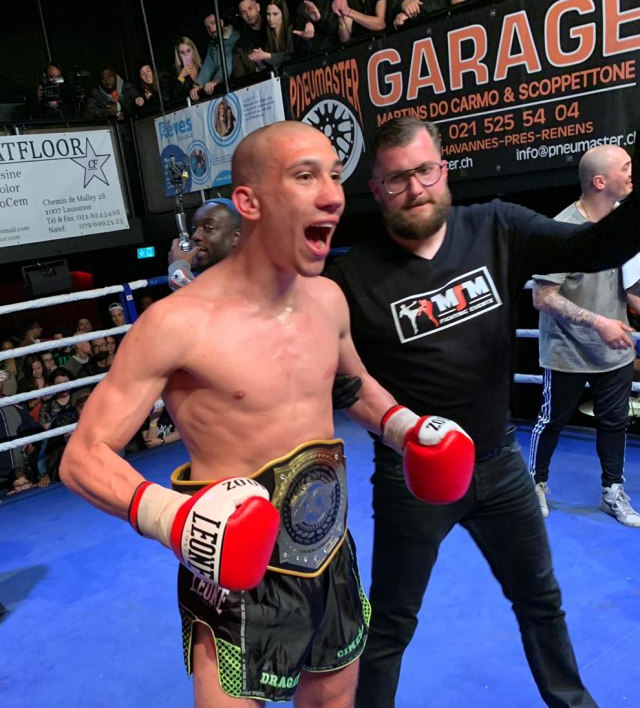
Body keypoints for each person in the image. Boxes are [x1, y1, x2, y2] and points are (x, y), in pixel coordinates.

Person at [60, 120, 474, 706]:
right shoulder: (177, 324)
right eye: (305, 177)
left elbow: (352, 386)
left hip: (330, 550)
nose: (332, 195)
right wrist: (173, 519)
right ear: (249, 202)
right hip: (231, 568)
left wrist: (406, 428)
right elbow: (82, 457)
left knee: (334, 700)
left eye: (334, 176)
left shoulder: (328, 299)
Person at [326, 117, 640, 708]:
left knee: (541, 601)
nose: (415, 188)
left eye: (425, 171)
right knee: (391, 624)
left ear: (444, 171)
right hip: (411, 476)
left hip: (499, 465)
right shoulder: (350, 278)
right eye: (397, 179)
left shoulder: (495, 226)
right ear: (377, 190)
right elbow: (338, 378)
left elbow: (591, 248)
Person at [529, 145, 640, 527]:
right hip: (567, 351)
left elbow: (631, 289)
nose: (632, 174)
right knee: (552, 421)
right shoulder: (561, 230)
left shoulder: (625, 223)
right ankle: (535, 483)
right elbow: (543, 297)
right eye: (626, 167)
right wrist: (598, 323)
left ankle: (613, 491)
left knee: (615, 422)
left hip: (615, 348)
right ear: (600, 181)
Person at [167, 197, 241, 290]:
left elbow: (203, 297)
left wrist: (178, 268)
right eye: (194, 228)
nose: (195, 236)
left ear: (235, 237)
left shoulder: (248, 279)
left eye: (208, 228)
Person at [189, 14, 239, 101]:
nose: (211, 29)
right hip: (226, 90)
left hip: (238, 85)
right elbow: (208, 66)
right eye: (208, 27)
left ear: (221, 22)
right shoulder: (213, 44)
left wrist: (216, 80)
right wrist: (198, 85)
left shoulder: (234, 37)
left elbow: (228, 62)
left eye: (213, 23)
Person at [248, 0, 295, 71]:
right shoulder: (269, 35)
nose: (270, 18)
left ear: (283, 14)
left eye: (275, 14)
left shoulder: (291, 30)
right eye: (268, 14)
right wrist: (258, 59)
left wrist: (268, 56)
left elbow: (290, 56)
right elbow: (269, 67)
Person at [172, 37, 203, 101]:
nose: (186, 55)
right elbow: (175, 98)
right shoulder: (176, 72)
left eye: (188, 51)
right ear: (178, 55)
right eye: (182, 53)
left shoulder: (203, 66)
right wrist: (181, 77)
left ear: (193, 51)